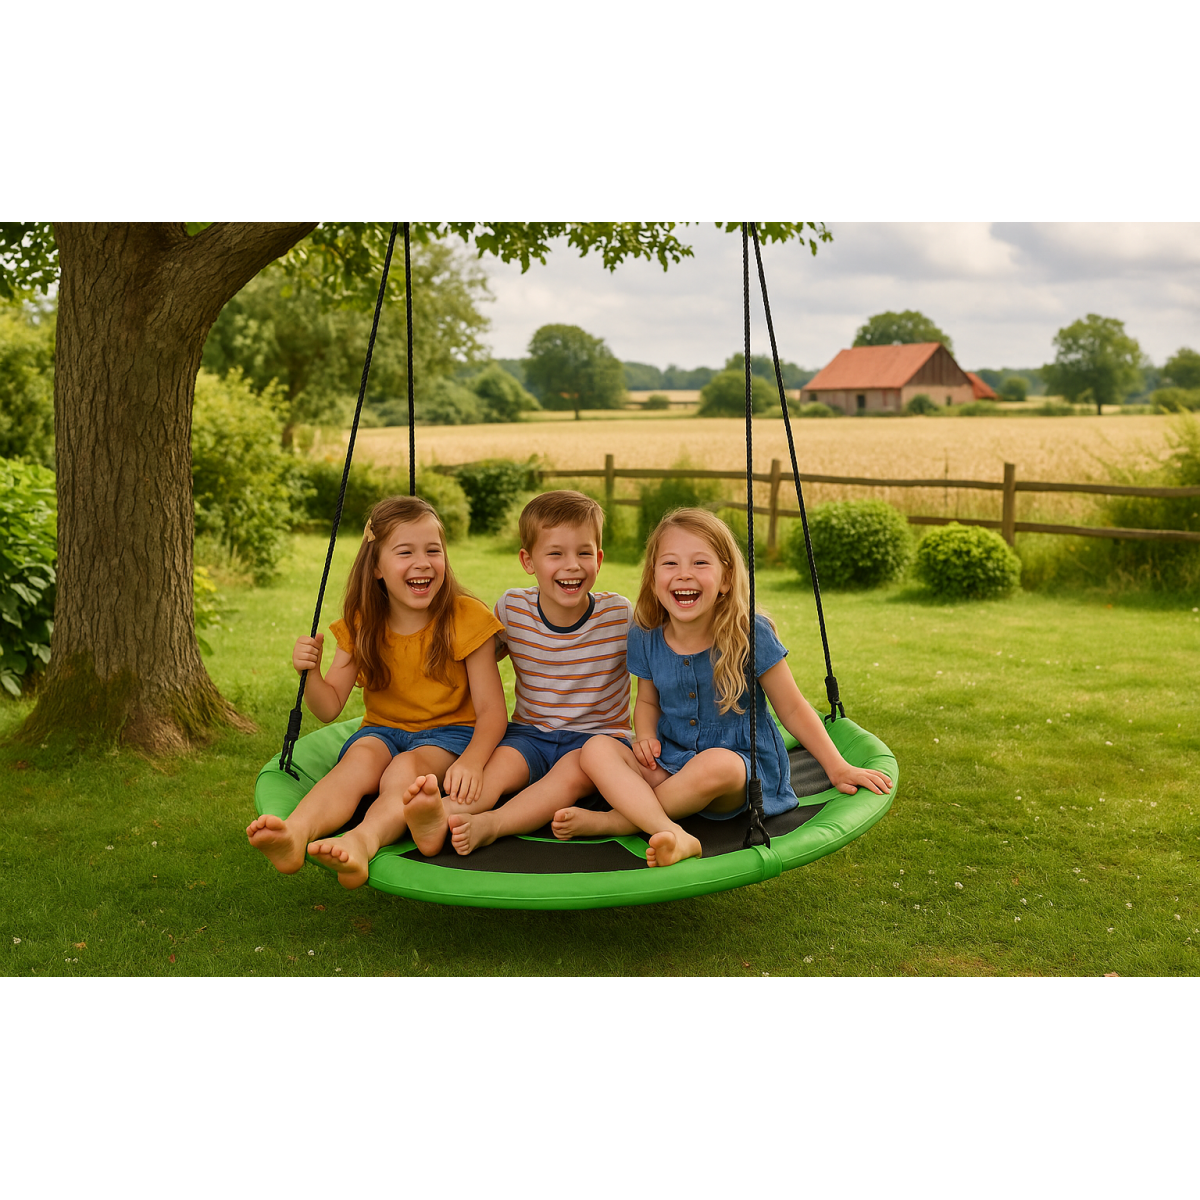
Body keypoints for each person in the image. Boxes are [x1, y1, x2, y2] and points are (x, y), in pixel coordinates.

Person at [571, 508, 892, 867]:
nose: (684, 574)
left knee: (716, 765)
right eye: (670, 563)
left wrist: (837, 767)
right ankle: (668, 828)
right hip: (672, 759)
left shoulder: (749, 633)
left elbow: (792, 708)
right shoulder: (645, 635)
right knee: (597, 748)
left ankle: (621, 820)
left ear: (725, 579)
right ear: (653, 576)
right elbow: (647, 702)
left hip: (738, 772)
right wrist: (645, 736)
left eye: (700, 563)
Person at [245, 495, 506, 887]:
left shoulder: (466, 617)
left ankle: (362, 841)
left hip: (450, 735)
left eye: (433, 550)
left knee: (404, 770)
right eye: (405, 552)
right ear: (377, 567)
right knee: (357, 763)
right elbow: (329, 706)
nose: (423, 562)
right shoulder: (363, 622)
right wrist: (311, 674)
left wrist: (472, 761)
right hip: (382, 730)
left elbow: (492, 711)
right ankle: (295, 832)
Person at [447, 491, 634, 855]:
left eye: (584, 553)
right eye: (556, 554)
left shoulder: (618, 615)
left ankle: (492, 825)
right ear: (528, 561)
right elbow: (477, 659)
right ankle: (439, 814)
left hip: (595, 742)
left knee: (567, 779)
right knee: (494, 773)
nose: (572, 565)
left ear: (598, 559)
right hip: (530, 734)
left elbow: (662, 658)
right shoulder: (512, 608)